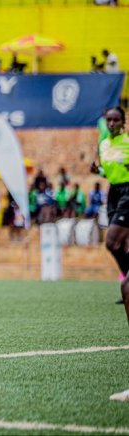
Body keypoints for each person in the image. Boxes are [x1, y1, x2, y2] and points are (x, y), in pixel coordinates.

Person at [90, 106, 129, 321]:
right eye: (109, 120)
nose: (112, 124)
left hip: (128, 192)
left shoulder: (127, 142)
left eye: (116, 120)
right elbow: (111, 170)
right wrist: (98, 171)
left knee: (111, 242)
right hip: (114, 192)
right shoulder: (104, 144)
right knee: (121, 244)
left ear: (123, 122)